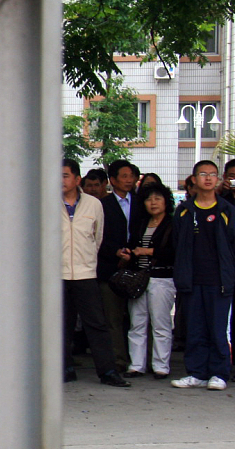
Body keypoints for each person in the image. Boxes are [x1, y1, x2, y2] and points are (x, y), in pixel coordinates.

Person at [60, 159, 129, 387]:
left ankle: (108, 371)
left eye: (65, 175)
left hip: (85, 273)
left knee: (97, 324)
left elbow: (97, 238)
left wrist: (87, 260)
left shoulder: (93, 204)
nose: (60, 180)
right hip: (57, 274)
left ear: (77, 179)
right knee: (61, 324)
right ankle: (64, 368)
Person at [170, 160, 235, 390]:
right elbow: (177, 243)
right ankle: (196, 373)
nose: (208, 178)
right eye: (203, 174)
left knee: (218, 329)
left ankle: (219, 374)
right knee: (195, 328)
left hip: (219, 281)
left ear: (218, 179)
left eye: (213, 174)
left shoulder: (227, 210)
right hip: (191, 279)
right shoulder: (185, 210)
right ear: (194, 179)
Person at [121, 182, 175, 379]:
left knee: (160, 324)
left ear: (166, 202)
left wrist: (148, 251)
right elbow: (132, 245)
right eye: (148, 199)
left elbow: (175, 252)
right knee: (137, 322)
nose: (153, 203)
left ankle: (161, 366)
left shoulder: (172, 224)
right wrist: (128, 254)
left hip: (162, 278)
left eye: (157, 198)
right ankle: (136, 365)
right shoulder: (141, 224)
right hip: (139, 278)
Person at [98, 160, 137, 371]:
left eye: (131, 175)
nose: (129, 180)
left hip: (136, 268)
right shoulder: (102, 205)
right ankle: (118, 360)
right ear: (112, 180)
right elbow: (97, 236)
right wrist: (115, 252)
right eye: (124, 176)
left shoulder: (141, 203)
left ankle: (140, 360)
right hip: (110, 269)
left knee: (137, 318)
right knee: (113, 318)